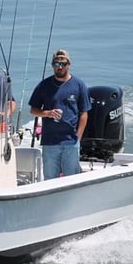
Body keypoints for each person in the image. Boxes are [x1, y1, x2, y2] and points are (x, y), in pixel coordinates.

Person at [28, 49, 91, 180]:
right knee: (50, 179)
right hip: (50, 142)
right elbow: (33, 110)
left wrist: (77, 137)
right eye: (56, 64)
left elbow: (84, 113)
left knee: (72, 179)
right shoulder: (44, 85)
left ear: (69, 64)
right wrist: (47, 113)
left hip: (71, 142)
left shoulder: (79, 85)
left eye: (63, 63)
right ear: (52, 65)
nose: (60, 67)